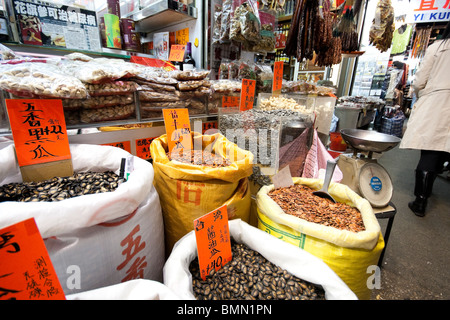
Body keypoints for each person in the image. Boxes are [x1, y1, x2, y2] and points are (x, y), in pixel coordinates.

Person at [399, 20, 450, 217]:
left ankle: (421, 201)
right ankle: (438, 175)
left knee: (430, 151)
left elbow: (419, 81)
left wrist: (424, 92)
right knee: (443, 150)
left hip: (437, 102)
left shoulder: (438, 48)